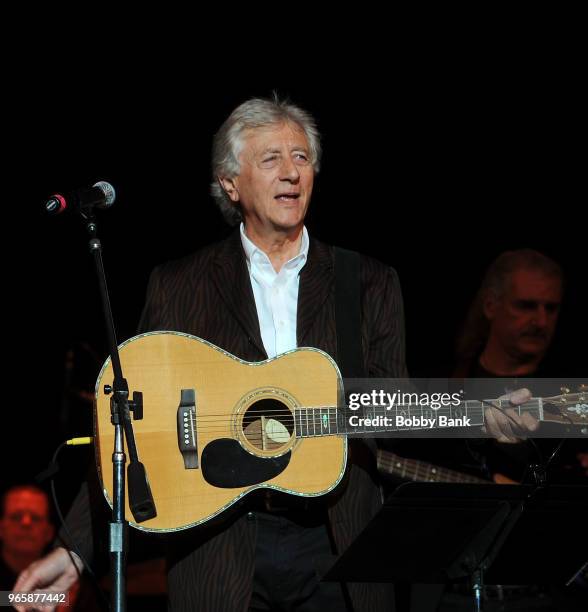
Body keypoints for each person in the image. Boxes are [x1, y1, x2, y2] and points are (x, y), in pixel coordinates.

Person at [14, 96, 537, 612]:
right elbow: (130, 425)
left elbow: (391, 408)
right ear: (230, 184)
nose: (291, 173)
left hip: (337, 545)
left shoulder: (368, 281)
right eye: (271, 160)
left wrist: (498, 412)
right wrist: (75, 550)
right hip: (217, 545)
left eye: (302, 158)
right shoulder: (179, 285)